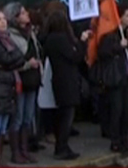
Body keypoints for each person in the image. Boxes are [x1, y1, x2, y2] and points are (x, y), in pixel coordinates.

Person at [42, 10, 91, 160]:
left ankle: (62, 145)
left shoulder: (49, 39)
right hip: (66, 80)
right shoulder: (60, 39)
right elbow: (74, 57)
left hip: (59, 79)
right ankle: (61, 147)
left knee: (62, 114)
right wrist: (82, 42)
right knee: (66, 116)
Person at [0, 9, 28, 167]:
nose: (3, 22)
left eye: (3, 19)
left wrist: (9, 62)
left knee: (2, 126)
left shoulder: (7, 38)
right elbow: (3, 58)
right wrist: (9, 61)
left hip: (7, 84)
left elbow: (20, 57)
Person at [5, 2, 42, 164]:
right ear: (15, 17)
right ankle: (16, 152)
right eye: (23, 13)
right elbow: (11, 60)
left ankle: (25, 150)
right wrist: (28, 64)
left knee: (28, 117)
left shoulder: (30, 32)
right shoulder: (10, 35)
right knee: (18, 118)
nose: (27, 14)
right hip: (20, 79)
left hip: (33, 79)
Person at [96, 5, 128, 152]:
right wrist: (119, 46)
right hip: (116, 78)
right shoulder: (110, 35)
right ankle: (115, 140)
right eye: (126, 16)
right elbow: (103, 53)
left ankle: (125, 138)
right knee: (117, 110)